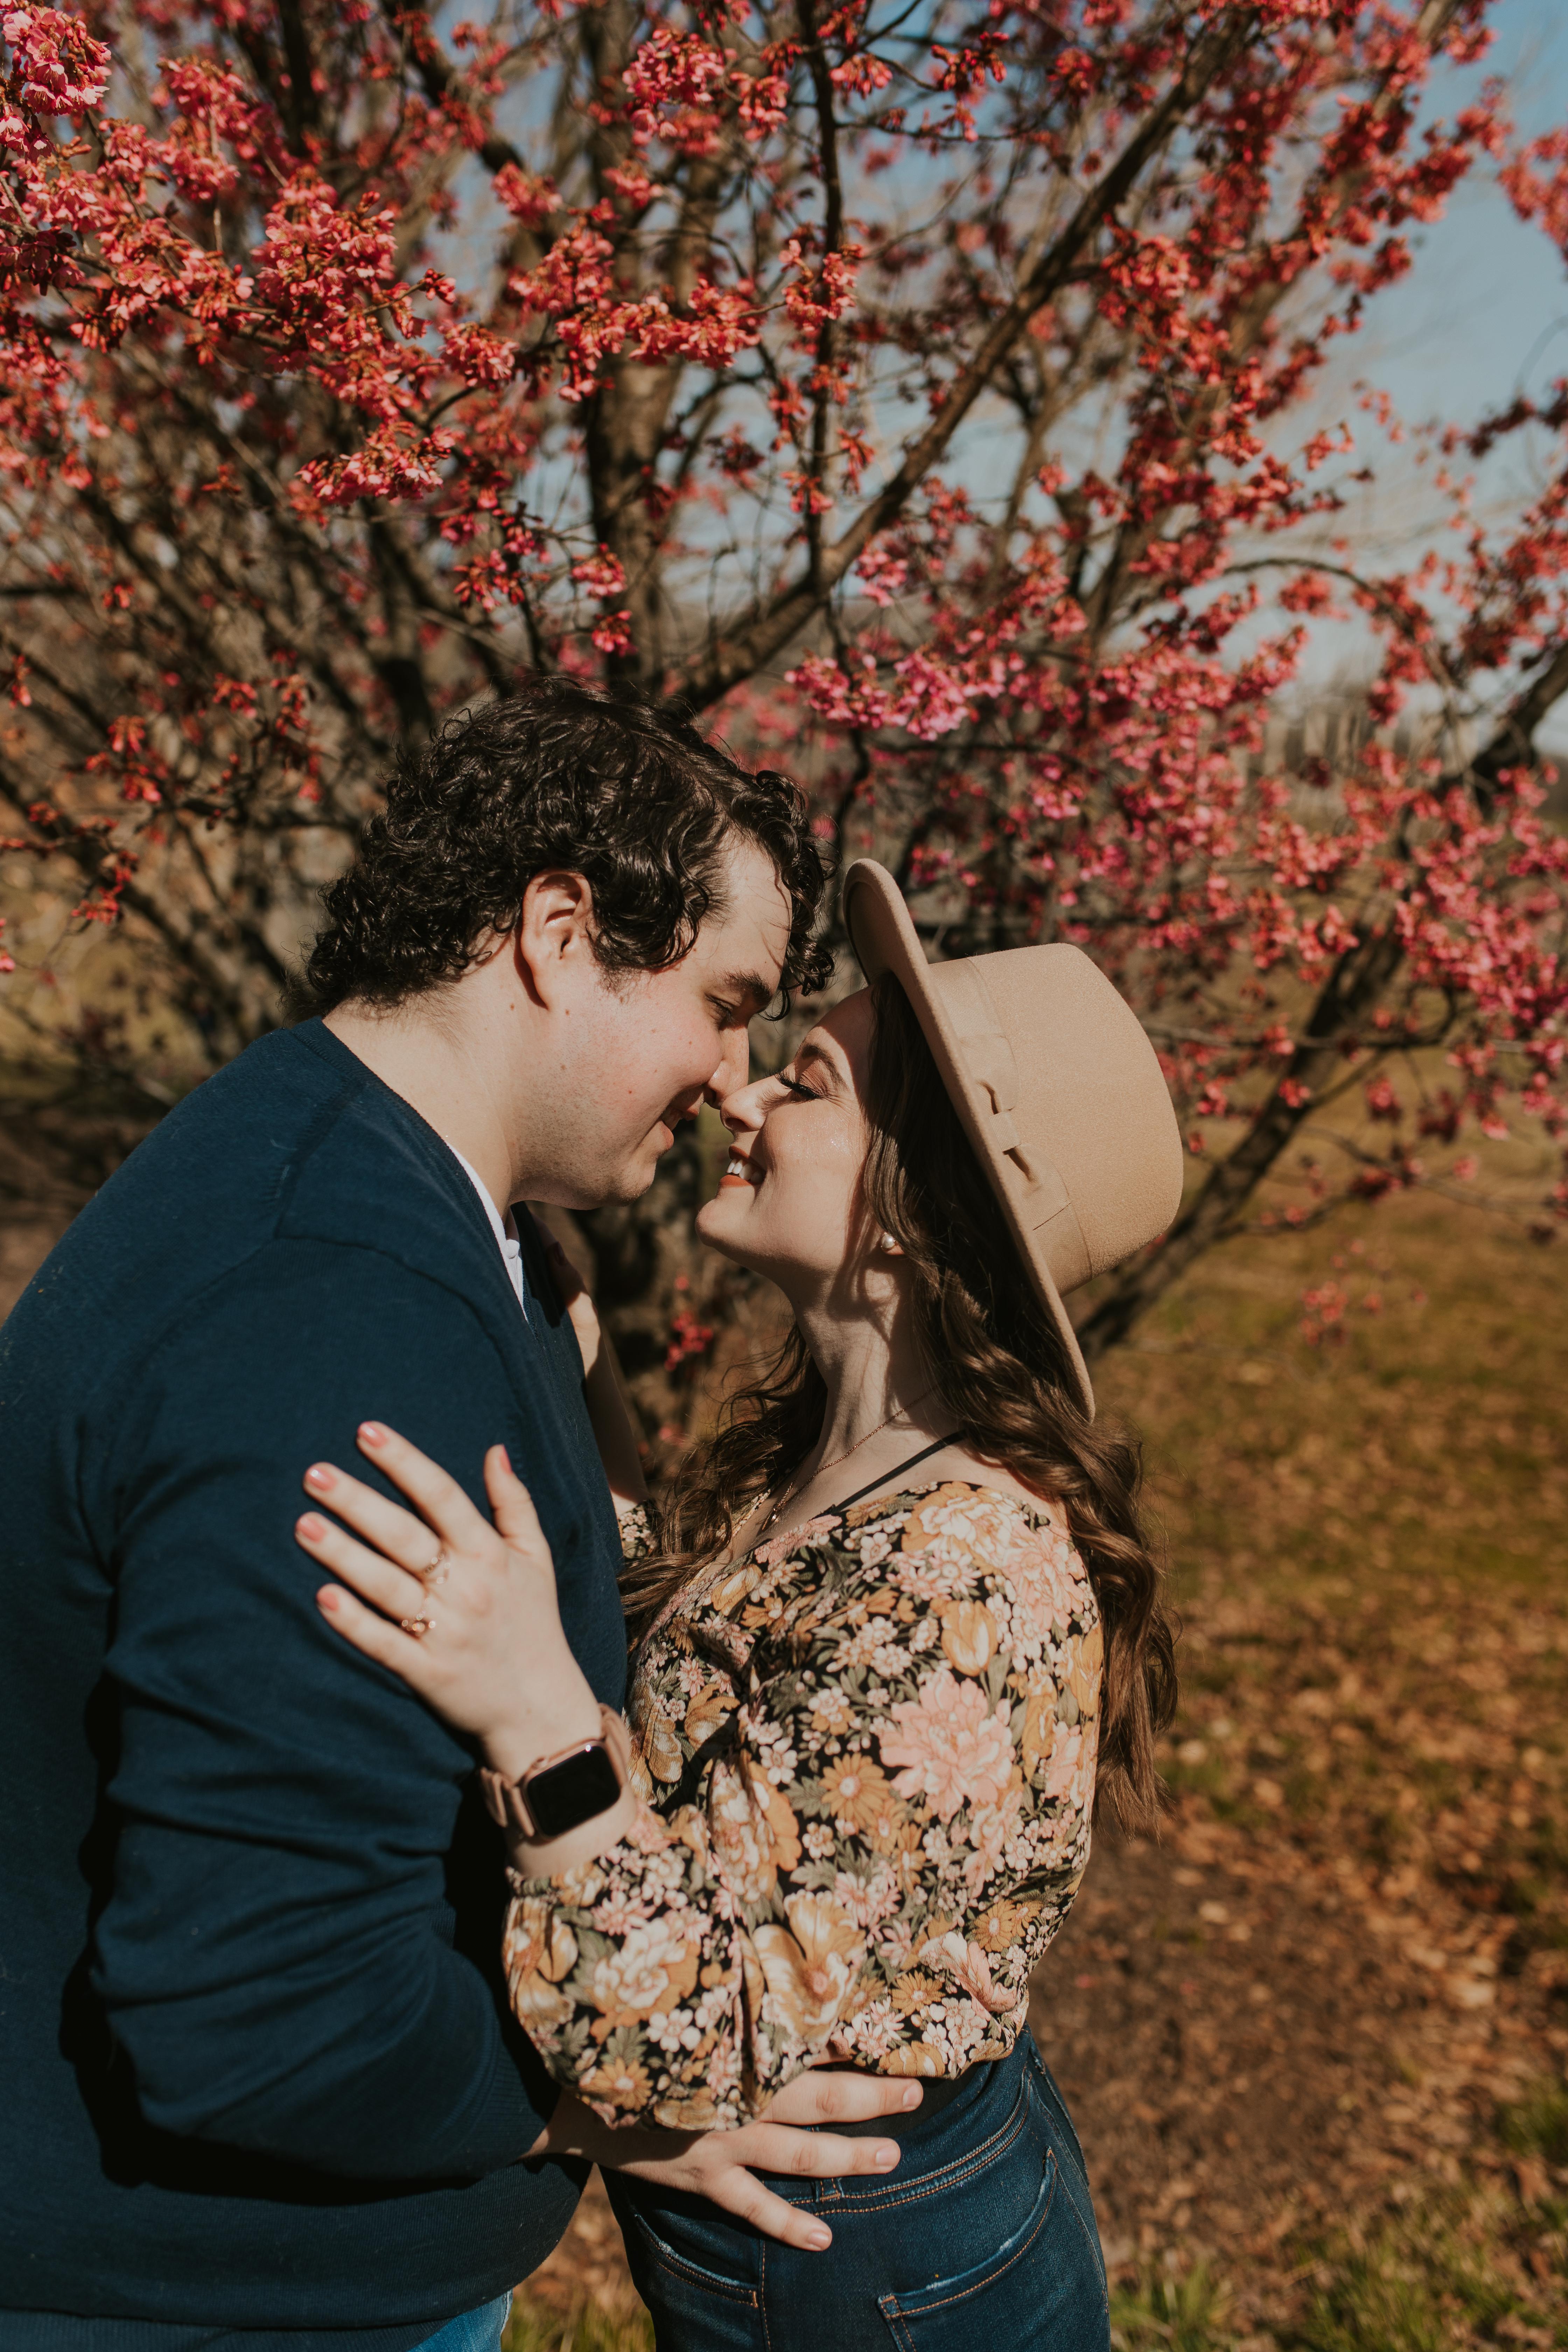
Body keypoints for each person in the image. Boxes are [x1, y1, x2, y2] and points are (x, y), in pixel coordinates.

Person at [0, 683, 925, 2352]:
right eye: (723, 1004)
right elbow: (257, 2012)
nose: (731, 1077)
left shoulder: (379, 1183)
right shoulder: (333, 1323)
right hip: (215, 2305)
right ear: (560, 935)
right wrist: (612, 2104)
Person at [295, 857, 1186, 2351]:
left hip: (865, 2268)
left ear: (911, 1212)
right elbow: (720, 1650)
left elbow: (680, 2040)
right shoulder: (852, 1452)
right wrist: (571, 1351)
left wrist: (536, 1720)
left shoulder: (960, 1578)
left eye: (811, 1083)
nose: (744, 1094)